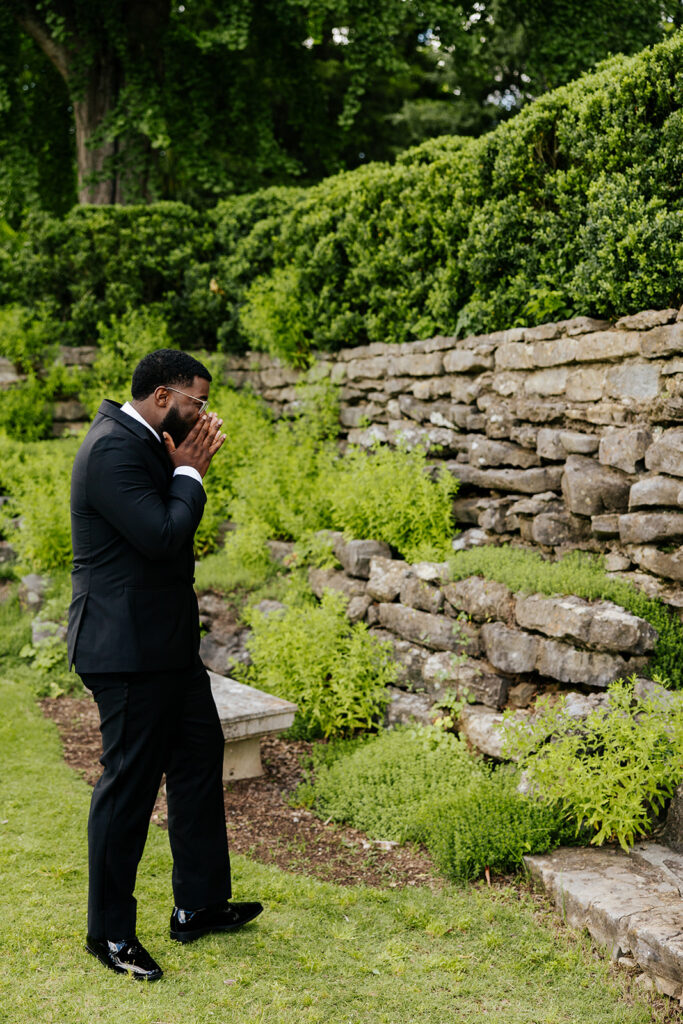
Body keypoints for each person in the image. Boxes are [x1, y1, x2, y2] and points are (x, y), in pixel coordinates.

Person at [67, 348, 262, 982]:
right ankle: (109, 934)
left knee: (199, 758)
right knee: (127, 789)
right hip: (125, 650)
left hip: (168, 649)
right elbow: (162, 535)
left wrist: (184, 471)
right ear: (161, 397)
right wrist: (190, 474)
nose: (203, 414)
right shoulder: (112, 449)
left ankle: (197, 904)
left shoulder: (150, 440)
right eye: (196, 402)